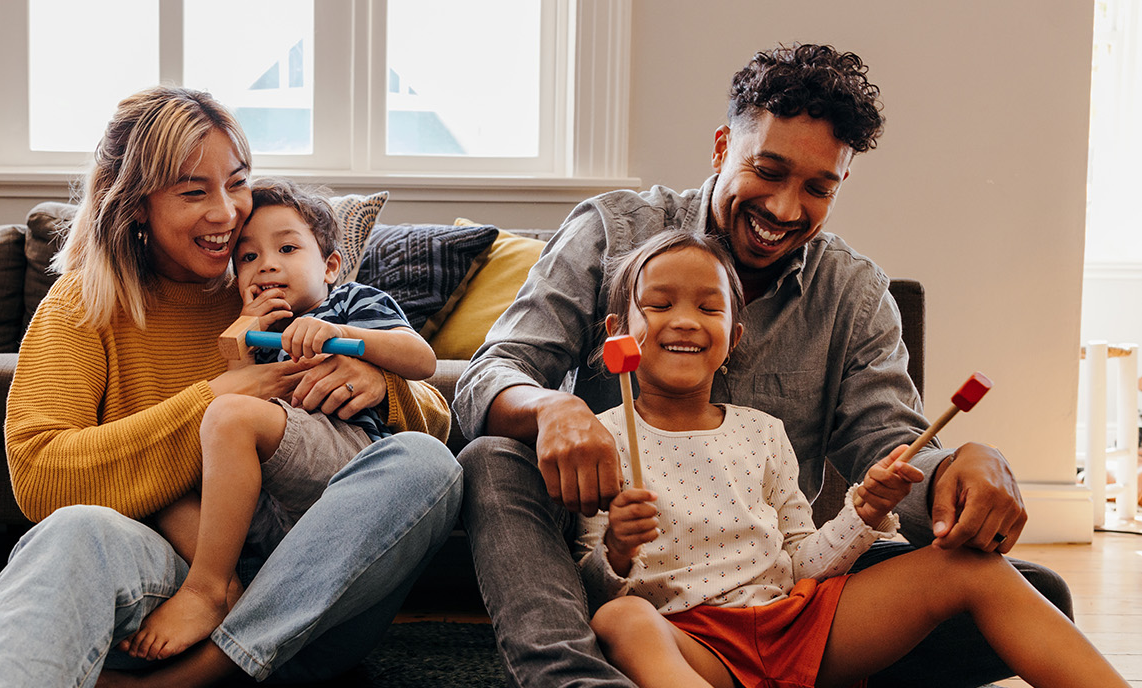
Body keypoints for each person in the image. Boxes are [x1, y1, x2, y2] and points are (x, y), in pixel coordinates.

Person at [452, 43, 1072, 687]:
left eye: (816, 188)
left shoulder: (853, 295)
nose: (783, 209)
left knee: (1039, 594)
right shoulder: (613, 233)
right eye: (768, 171)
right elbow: (491, 373)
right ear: (722, 148)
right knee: (493, 459)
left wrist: (954, 470)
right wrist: (554, 407)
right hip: (613, 581)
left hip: (774, 582)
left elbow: (893, 447)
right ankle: (576, 675)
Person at [0, 86, 461, 688]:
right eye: (192, 192)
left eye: (237, 181)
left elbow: (432, 420)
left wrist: (378, 384)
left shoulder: (276, 286)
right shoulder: (82, 305)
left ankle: (207, 673)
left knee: (425, 463)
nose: (227, 213)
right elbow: (39, 476)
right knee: (73, 533)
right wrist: (220, 397)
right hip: (173, 595)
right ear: (135, 208)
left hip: (320, 595)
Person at [574, 229, 1126, 688]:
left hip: (793, 623)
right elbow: (589, 589)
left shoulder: (763, 433)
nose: (687, 320)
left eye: (709, 307)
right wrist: (618, 550)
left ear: (734, 336)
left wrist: (863, 513)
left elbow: (800, 565)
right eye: (661, 304)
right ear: (618, 332)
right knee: (620, 618)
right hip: (693, 645)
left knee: (969, 568)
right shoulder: (600, 439)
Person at [117, 177, 437, 665]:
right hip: (268, 500)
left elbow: (422, 359)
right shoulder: (252, 326)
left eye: (286, 248)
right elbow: (237, 396)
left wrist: (343, 335)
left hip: (343, 461)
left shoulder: (349, 302)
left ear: (330, 266)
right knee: (163, 483)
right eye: (246, 258)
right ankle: (236, 598)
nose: (265, 264)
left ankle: (205, 589)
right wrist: (244, 330)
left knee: (228, 415)